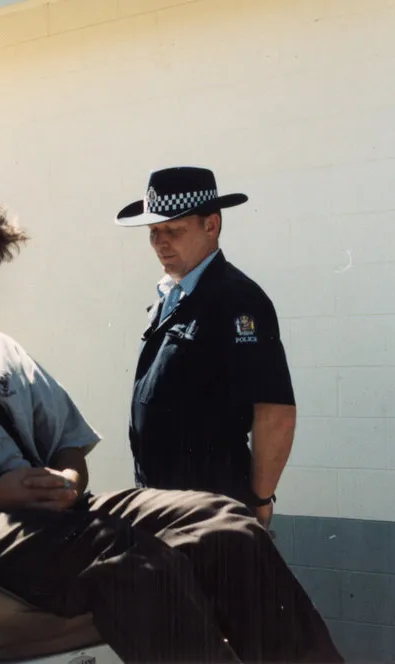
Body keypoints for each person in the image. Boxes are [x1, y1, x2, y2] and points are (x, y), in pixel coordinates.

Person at [0, 188, 341, 663]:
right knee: (132, 563)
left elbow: (69, 446)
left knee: (225, 523)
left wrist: (68, 481)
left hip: (47, 517)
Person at [115, 166, 297, 529]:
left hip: (210, 513)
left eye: (173, 230)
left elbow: (274, 412)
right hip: (164, 508)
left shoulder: (237, 299)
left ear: (211, 226)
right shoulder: (173, 295)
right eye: (153, 232)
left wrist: (259, 504)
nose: (161, 243)